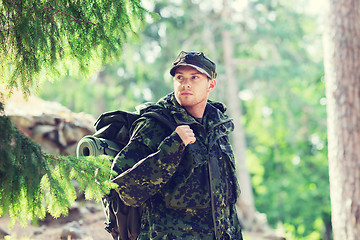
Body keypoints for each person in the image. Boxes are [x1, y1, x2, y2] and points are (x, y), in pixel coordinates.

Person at [111, 51, 243, 239]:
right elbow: (126, 190)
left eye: (195, 77)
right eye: (180, 77)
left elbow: (226, 207)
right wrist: (172, 148)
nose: (185, 84)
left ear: (210, 85)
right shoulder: (154, 125)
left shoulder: (217, 127)